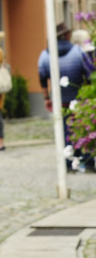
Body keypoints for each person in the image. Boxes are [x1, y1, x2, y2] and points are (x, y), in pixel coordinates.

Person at [39, 25, 94, 171]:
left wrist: (46, 97)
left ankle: (68, 162)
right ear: (67, 34)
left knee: (64, 130)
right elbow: (88, 74)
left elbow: (42, 77)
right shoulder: (77, 52)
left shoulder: (45, 55)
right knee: (82, 128)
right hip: (78, 98)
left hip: (60, 99)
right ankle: (84, 159)